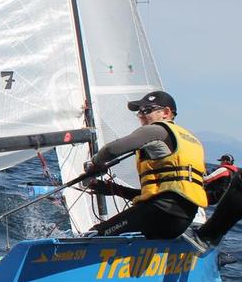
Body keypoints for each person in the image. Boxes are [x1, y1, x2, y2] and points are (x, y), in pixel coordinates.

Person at [84, 90, 207, 240]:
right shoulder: (192, 141)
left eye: (146, 110)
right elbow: (165, 194)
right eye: (139, 112)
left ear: (166, 112)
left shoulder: (156, 130)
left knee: (95, 235)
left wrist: (95, 164)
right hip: (181, 220)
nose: (141, 115)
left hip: (158, 213)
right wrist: (115, 190)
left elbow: (111, 149)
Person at [196, 153, 242, 246]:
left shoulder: (223, 169)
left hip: (214, 195)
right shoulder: (234, 171)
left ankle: (203, 232)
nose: (220, 163)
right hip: (222, 197)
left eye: (221, 161)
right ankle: (214, 237)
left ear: (225, 161)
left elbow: (206, 179)